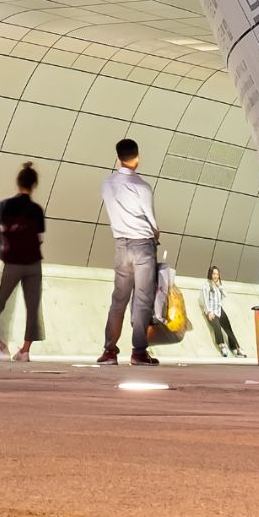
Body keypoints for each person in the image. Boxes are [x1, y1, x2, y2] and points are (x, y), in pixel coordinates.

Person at [97, 136, 163, 367]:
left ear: (118, 158)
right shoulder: (143, 187)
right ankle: (138, 352)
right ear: (137, 158)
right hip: (143, 245)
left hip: (121, 246)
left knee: (119, 299)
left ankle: (109, 351)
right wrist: (156, 231)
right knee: (142, 300)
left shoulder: (107, 183)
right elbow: (151, 220)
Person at [0, 162, 46, 361]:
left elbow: (0, 230)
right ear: (34, 185)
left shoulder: (5, 205)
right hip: (33, 263)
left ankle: (2, 347)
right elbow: (39, 237)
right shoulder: (37, 209)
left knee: (2, 303)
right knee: (32, 307)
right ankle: (25, 350)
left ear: (18, 183)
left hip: (13, 261)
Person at [201, 265, 240, 358]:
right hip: (211, 310)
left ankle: (235, 347)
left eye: (217, 274)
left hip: (219, 309)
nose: (215, 276)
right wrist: (209, 311)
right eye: (214, 274)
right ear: (210, 274)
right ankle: (222, 345)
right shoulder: (206, 285)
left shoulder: (218, 285)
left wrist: (219, 286)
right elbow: (205, 299)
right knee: (217, 327)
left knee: (228, 327)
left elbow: (225, 295)